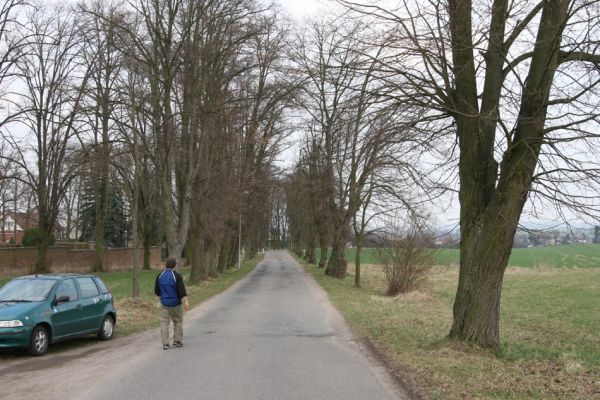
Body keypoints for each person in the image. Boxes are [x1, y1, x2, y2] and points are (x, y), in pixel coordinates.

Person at [154, 258, 189, 350]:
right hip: (176, 304)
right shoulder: (177, 276)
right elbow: (181, 291)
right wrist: (186, 302)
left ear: (166, 265)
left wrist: (160, 299)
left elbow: (157, 291)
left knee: (164, 323)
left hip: (164, 303)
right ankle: (177, 341)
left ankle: (165, 343)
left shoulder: (160, 275)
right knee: (178, 321)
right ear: (174, 265)